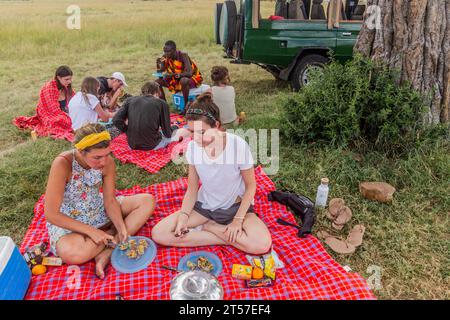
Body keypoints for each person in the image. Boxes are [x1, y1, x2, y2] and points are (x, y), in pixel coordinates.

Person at [151, 93, 272, 255]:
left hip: (235, 208)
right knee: (159, 233)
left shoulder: (238, 146)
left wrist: (237, 221)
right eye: (192, 131)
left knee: (261, 245)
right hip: (205, 208)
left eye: (202, 132)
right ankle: (226, 237)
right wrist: (184, 216)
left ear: (216, 125)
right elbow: (192, 189)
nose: (196, 138)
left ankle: (211, 228)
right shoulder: (193, 149)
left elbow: (251, 187)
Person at [44, 123, 155, 279]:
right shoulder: (63, 163)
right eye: (97, 157)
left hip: (98, 208)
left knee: (147, 201)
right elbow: (51, 214)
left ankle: (110, 247)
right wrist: (91, 231)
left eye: (107, 154)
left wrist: (121, 226)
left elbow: (110, 201)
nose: (103, 162)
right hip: (71, 219)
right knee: (72, 253)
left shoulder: (107, 162)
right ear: (81, 151)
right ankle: (110, 237)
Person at [113, 81, 189, 151]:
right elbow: (167, 134)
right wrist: (174, 127)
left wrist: (127, 130)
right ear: (156, 93)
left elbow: (116, 120)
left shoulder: (129, 100)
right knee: (184, 131)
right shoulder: (161, 103)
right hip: (152, 145)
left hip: (132, 145)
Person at [13, 65, 75, 139]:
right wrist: (67, 116)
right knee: (59, 121)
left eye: (70, 79)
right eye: (67, 79)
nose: (70, 81)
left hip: (65, 112)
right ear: (58, 78)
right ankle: (56, 135)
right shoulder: (50, 87)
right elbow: (53, 110)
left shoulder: (66, 87)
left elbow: (75, 102)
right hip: (50, 114)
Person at [155, 40, 203, 108]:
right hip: (175, 79)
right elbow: (160, 73)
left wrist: (173, 75)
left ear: (174, 50)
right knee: (156, 83)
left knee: (183, 80)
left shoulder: (183, 55)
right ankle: (164, 105)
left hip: (192, 78)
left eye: (168, 51)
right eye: (165, 51)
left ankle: (186, 105)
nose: (166, 54)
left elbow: (189, 73)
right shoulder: (164, 57)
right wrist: (158, 64)